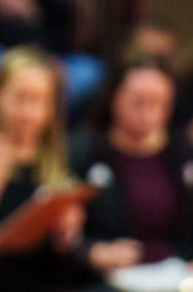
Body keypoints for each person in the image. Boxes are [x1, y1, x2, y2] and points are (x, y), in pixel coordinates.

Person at [69, 55, 193, 285]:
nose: (147, 113)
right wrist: (92, 251)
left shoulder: (184, 155)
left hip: (176, 274)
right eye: (138, 102)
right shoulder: (82, 153)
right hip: (107, 279)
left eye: (158, 103)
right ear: (114, 97)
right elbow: (61, 236)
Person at [0, 47, 84, 291]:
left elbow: (64, 270)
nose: (27, 113)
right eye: (20, 98)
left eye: (39, 101)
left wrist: (66, 238)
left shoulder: (60, 164)